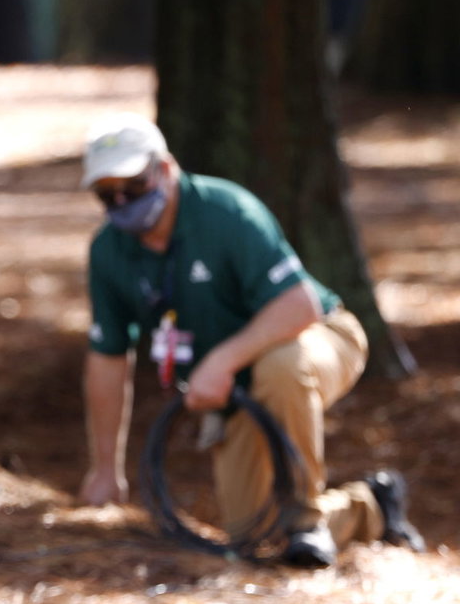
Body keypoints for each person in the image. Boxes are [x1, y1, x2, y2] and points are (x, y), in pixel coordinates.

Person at [77, 113, 424, 568]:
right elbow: (108, 359)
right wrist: (106, 469)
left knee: (281, 366)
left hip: (318, 336)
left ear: (165, 169)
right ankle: (371, 507)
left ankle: (305, 521)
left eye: (134, 186)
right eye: (107, 194)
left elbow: (299, 306)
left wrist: (220, 361)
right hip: (236, 389)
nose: (122, 201)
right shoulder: (108, 252)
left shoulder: (226, 212)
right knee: (252, 540)